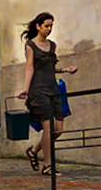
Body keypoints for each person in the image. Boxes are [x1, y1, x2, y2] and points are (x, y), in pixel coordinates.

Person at [14, 11, 78, 174]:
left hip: (53, 89)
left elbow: (49, 68)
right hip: (38, 91)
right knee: (48, 129)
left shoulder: (52, 45)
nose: (49, 29)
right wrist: (26, 90)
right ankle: (48, 166)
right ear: (38, 26)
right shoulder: (31, 45)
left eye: (51, 26)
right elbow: (30, 67)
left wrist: (65, 70)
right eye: (46, 26)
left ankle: (34, 151)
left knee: (58, 129)